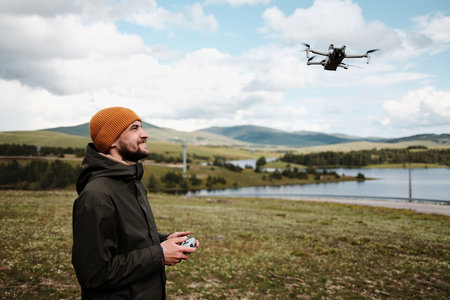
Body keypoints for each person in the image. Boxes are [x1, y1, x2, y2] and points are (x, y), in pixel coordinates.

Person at [72, 107, 199, 299]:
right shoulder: (96, 196)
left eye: (142, 127)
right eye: (134, 128)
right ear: (112, 140)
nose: (145, 134)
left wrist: (164, 241)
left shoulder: (131, 183)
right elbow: (93, 274)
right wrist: (160, 254)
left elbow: (126, 238)